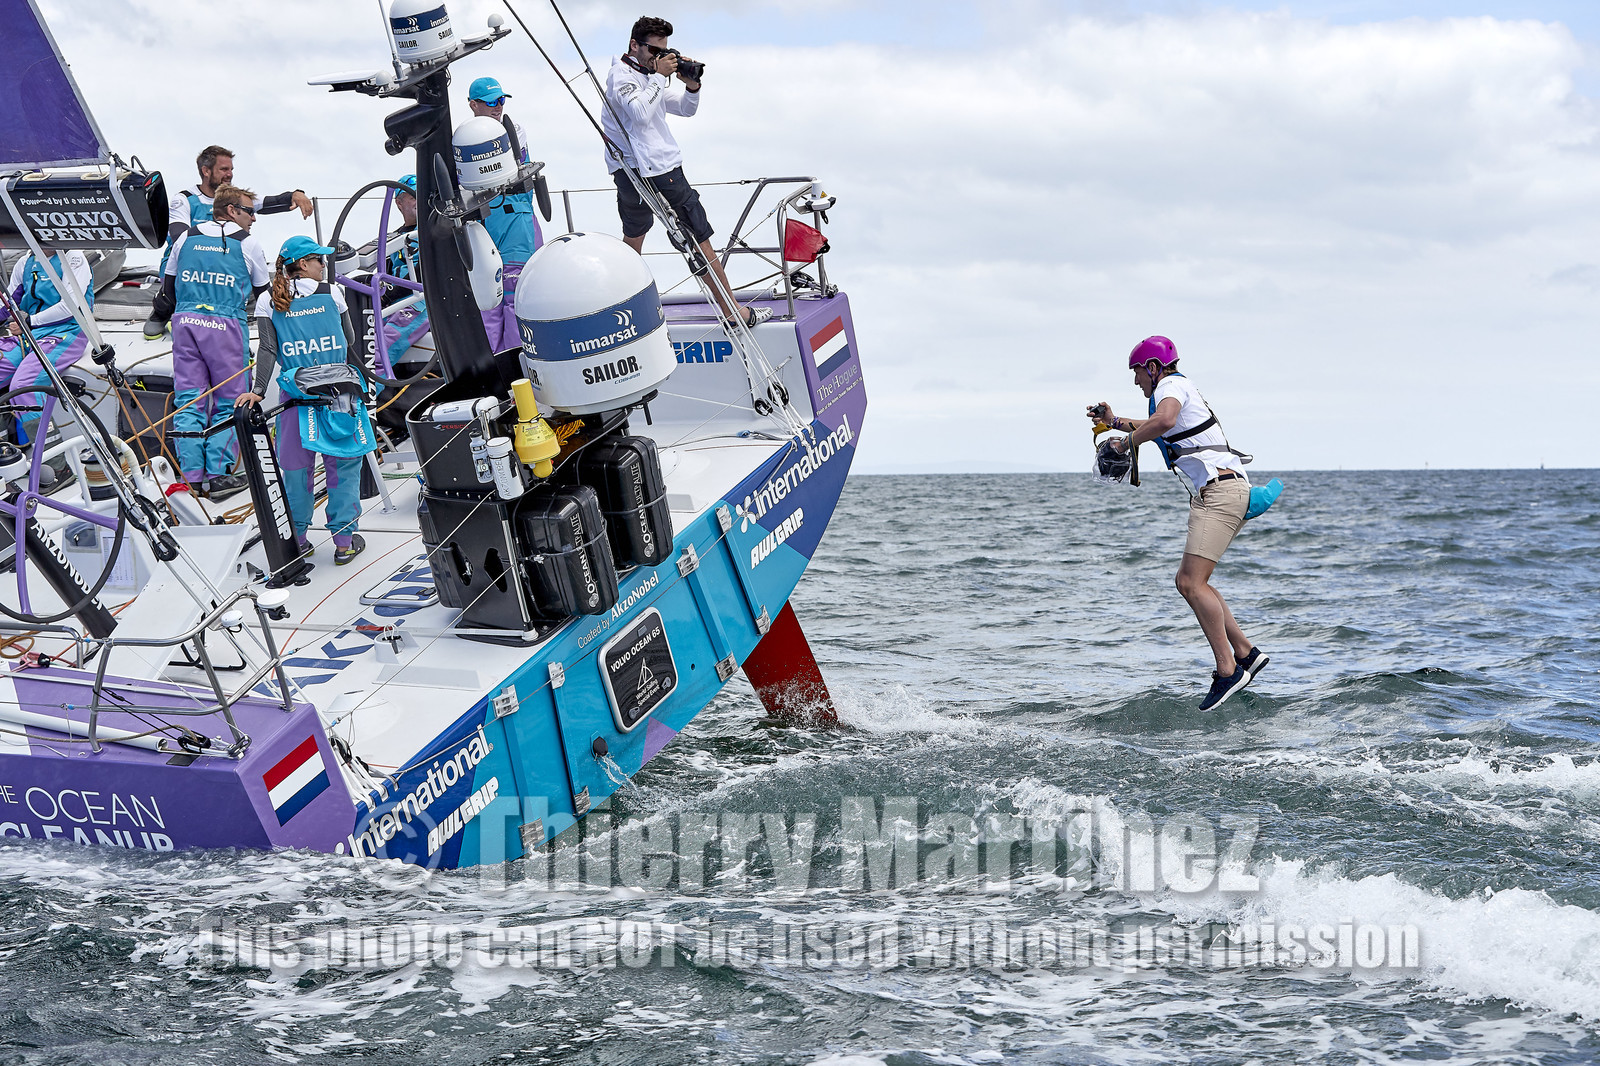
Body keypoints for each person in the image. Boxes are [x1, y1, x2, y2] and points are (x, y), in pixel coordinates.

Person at [1087, 336, 1269, 711]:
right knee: (1198, 582)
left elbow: (1163, 421)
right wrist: (1113, 422)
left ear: (1153, 367)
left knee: (1189, 582)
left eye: (1137, 372)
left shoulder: (1171, 384)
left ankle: (1228, 669)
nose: (1137, 381)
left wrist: (1122, 445)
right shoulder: (1176, 390)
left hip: (1219, 493)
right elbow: (1160, 425)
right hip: (1225, 491)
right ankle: (1246, 653)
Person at [601, 16, 770, 329]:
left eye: (664, 50)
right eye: (654, 50)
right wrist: (658, 76)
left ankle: (727, 309)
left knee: (669, 233)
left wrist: (692, 84)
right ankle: (729, 311)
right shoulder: (620, 75)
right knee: (672, 233)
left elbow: (685, 108)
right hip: (643, 170)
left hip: (654, 168)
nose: (659, 56)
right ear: (634, 45)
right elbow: (638, 113)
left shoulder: (646, 73)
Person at [237, 235, 374, 566]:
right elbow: (350, 339)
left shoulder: (268, 301)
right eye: (319, 260)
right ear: (303, 264)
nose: (324, 266)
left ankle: (298, 540)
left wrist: (257, 390)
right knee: (343, 467)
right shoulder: (333, 294)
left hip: (296, 398)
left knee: (296, 471)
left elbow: (268, 350)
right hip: (339, 396)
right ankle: (344, 543)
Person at [162, 184, 270, 499]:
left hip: (185, 324)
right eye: (249, 211)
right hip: (225, 327)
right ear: (232, 211)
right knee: (230, 400)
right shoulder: (246, 243)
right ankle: (219, 476)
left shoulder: (185, 237)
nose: (253, 218)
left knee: (190, 399)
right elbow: (263, 296)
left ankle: (191, 478)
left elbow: (168, 289)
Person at [144, 146, 313, 339]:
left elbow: (267, 202)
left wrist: (295, 195)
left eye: (231, 169)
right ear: (206, 171)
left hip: (220, 263)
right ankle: (163, 307)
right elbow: (179, 236)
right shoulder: (185, 199)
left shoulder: (232, 198)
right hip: (185, 264)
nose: (230, 174)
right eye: (224, 169)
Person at [465, 78, 543, 351]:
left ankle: (516, 375)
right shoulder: (462, 140)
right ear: (473, 105)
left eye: (501, 100)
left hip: (516, 221)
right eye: (491, 102)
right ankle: (494, 373)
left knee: (515, 299)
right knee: (487, 302)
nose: (498, 107)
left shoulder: (514, 131)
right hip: (482, 226)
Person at [0, 248, 95, 436]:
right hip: (29, 333)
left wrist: (29, 322)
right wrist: (28, 324)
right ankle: (9, 447)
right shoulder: (25, 262)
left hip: (67, 332)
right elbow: (8, 303)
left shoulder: (74, 258)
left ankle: (54, 463)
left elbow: (69, 307)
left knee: (23, 387)